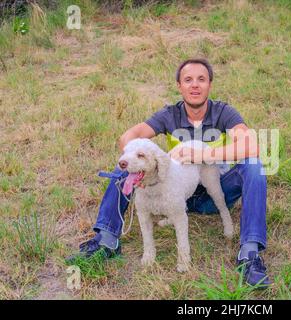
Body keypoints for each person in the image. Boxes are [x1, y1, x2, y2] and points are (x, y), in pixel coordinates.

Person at [68, 58, 270, 287]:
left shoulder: (224, 112)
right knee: (126, 166)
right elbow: (128, 137)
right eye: (188, 80)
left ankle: (249, 253)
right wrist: (152, 162)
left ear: (210, 85)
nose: (195, 85)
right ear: (179, 86)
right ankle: (107, 238)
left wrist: (200, 155)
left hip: (217, 190)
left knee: (254, 165)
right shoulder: (169, 115)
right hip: (174, 193)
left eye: (201, 79)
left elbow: (252, 146)